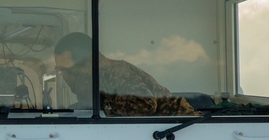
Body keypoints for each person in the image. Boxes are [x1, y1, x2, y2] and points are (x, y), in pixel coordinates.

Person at [52, 32, 196, 117]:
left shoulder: (114, 72)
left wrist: (99, 106)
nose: (65, 76)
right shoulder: (99, 76)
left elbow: (145, 105)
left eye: (66, 70)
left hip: (177, 132)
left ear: (89, 62)